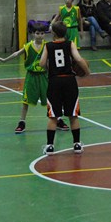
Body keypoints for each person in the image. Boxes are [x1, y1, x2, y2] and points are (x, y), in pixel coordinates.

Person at [39, 21, 89, 154]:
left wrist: (49, 69)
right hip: (69, 81)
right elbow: (79, 59)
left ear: (53, 33)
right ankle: (77, 145)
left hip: (54, 81)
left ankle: (50, 146)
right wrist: (87, 72)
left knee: (53, 116)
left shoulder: (48, 46)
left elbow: (42, 63)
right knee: (73, 114)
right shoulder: (70, 43)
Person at [0, 22, 51, 133]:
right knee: (26, 101)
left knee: (50, 99)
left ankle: (57, 119)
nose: (40, 35)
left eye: (42, 33)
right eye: (37, 33)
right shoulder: (28, 46)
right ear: (33, 34)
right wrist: (5, 60)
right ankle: (22, 122)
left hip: (44, 76)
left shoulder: (47, 46)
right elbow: (16, 53)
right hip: (32, 76)